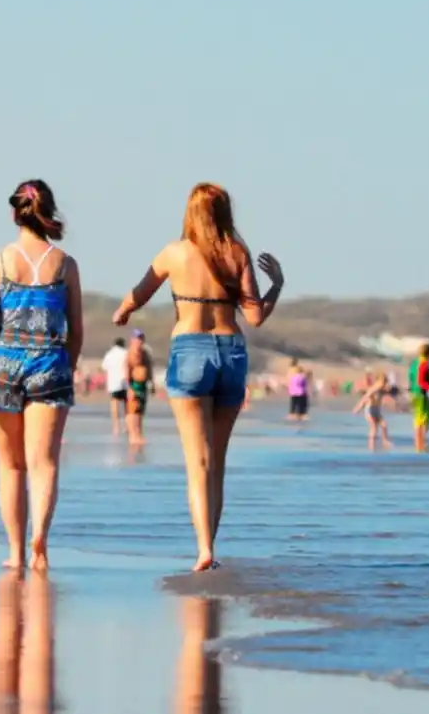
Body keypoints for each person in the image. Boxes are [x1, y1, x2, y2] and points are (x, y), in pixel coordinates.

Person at [112, 182, 283, 572]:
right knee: (217, 460)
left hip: (190, 349)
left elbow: (142, 290)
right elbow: (255, 317)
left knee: (197, 461)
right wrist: (277, 285)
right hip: (231, 351)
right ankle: (212, 547)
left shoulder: (175, 253)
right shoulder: (237, 253)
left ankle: (203, 548)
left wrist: (122, 312)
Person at [0, 179, 83, 571]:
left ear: (15, 212)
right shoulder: (65, 264)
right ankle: (40, 544)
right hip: (50, 364)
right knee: (44, 462)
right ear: (47, 211)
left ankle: (15, 551)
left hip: (3, 366)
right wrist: (68, 366)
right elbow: (76, 329)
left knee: (11, 466)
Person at [126, 329, 154, 446]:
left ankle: (139, 433)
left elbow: (149, 368)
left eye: (141, 338)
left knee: (141, 410)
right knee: (133, 410)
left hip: (144, 384)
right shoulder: (130, 353)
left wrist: (152, 383)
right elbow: (126, 370)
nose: (139, 341)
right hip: (134, 384)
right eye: (137, 338)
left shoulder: (145, 353)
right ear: (132, 340)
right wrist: (129, 387)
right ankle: (133, 435)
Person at [352, 372, 393, 450]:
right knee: (373, 427)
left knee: (384, 425)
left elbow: (388, 391)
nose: (385, 383)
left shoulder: (381, 388)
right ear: (379, 381)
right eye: (384, 381)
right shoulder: (375, 388)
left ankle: (385, 441)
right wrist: (358, 407)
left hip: (377, 410)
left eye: (386, 381)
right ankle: (371, 445)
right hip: (370, 409)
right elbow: (366, 397)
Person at [408, 343, 429, 453]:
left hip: (414, 394)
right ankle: (421, 444)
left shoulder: (414, 364)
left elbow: (410, 378)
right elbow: (421, 381)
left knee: (419, 420)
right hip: (421, 394)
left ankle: (418, 444)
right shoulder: (424, 364)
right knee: (424, 420)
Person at [101, 338, 129, 436]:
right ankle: (127, 426)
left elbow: (104, 366)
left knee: (114, 404)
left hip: (113, 383)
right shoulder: (126, 353)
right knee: (127, 404)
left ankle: (116, 427)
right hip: (125, 383)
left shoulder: (109, 354)